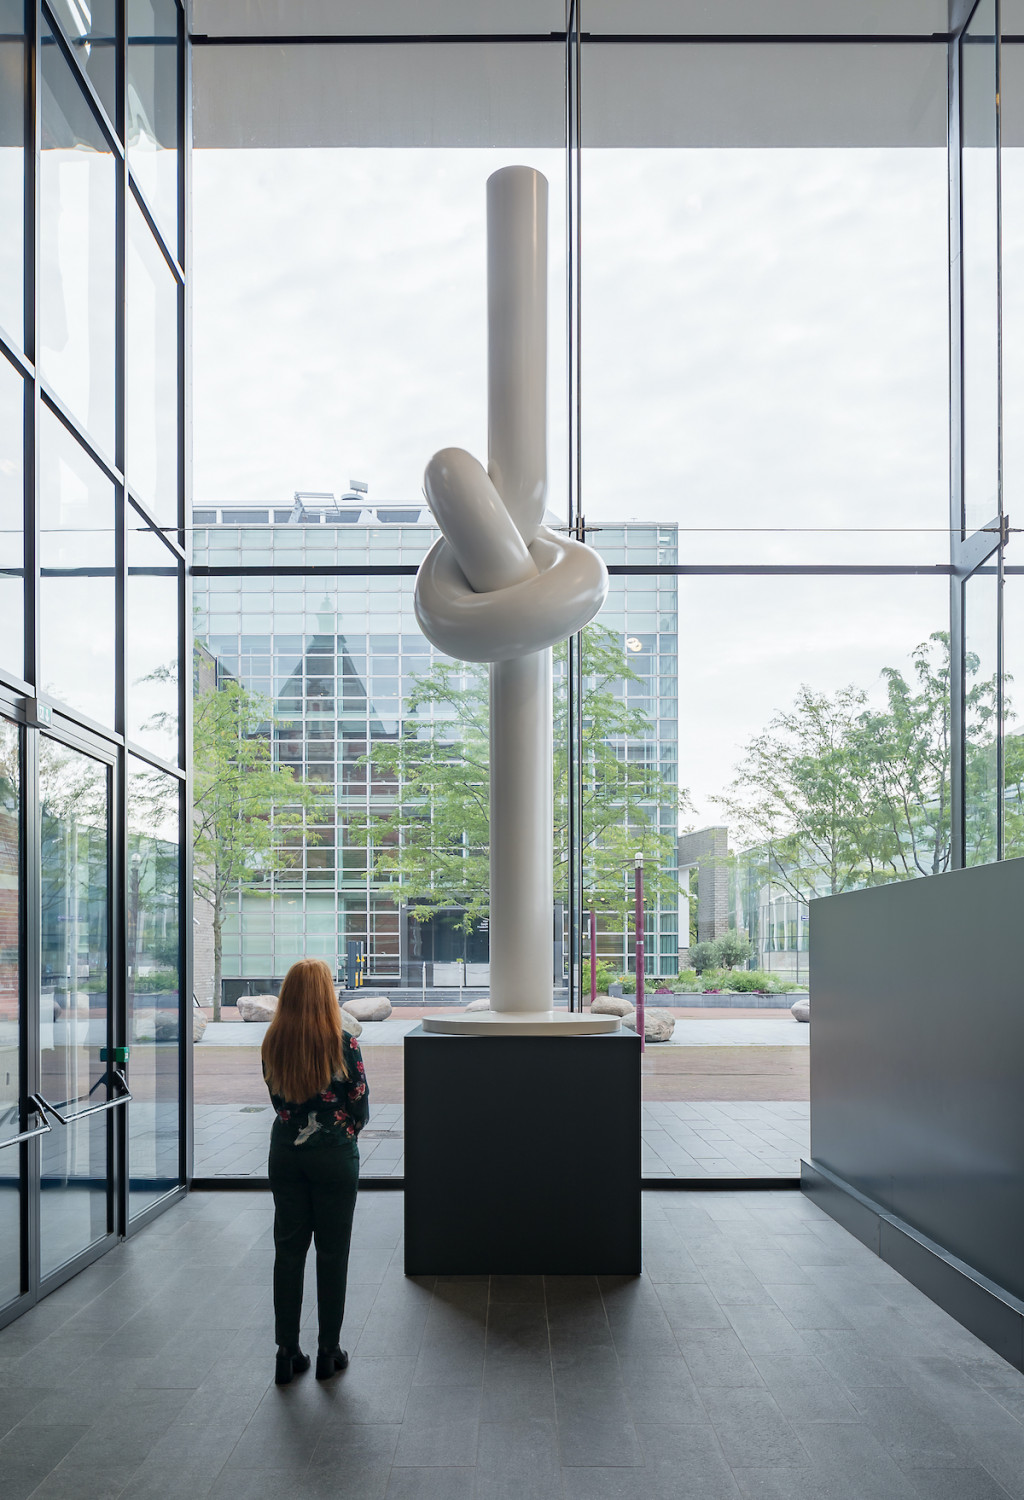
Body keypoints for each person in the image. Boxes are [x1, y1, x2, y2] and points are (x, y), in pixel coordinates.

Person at [261, 957, 369, 1385]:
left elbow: (278, 1101)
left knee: (288, 1250)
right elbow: (359, 1106)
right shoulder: (344, 1043)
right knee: (332, 1250)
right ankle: (329, 1351)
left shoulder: (272, 1042)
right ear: (326, 994)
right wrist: (341, 1133)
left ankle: (286, 1352)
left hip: (285, 1153)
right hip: (334, 1155)